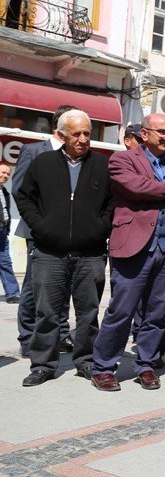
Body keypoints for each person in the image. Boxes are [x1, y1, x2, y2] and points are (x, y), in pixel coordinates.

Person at [90, 114, 165, 392]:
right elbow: (137, 187)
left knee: (157, 311)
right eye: (161, 132)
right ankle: (103, 367)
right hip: (133, 245)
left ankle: (147, 364)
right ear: (144, 133)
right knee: (121, 310)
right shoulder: (122, 159)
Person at [15, 111, 112, 386]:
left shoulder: (102, 165)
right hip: (49, 252)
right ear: (61, 135)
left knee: (88, 314)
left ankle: (86, 361)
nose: (82, 139)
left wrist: (99, 228)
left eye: (87, 134)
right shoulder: (43, 163)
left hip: (90, 253)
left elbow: (113, 203)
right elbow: (24, 197)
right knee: (46, 312)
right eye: (76, 134)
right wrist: (40, 226)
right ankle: (43, 365)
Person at [12, 104, 76, 356]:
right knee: (33, 285)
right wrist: (43, 222)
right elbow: (20, 191)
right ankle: (28, 337)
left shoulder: (77, 154)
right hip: (38, 231)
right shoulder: (33, 151)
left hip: (70, 232)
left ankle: (60, 334)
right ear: (59, 126)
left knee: (64, 283)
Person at [0, 164, 19, 303]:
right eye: (3, 172)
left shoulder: (4, 191)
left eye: (7, 174)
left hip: (2, 232)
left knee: (5, 262)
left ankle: (12, 294)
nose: (5, 176)